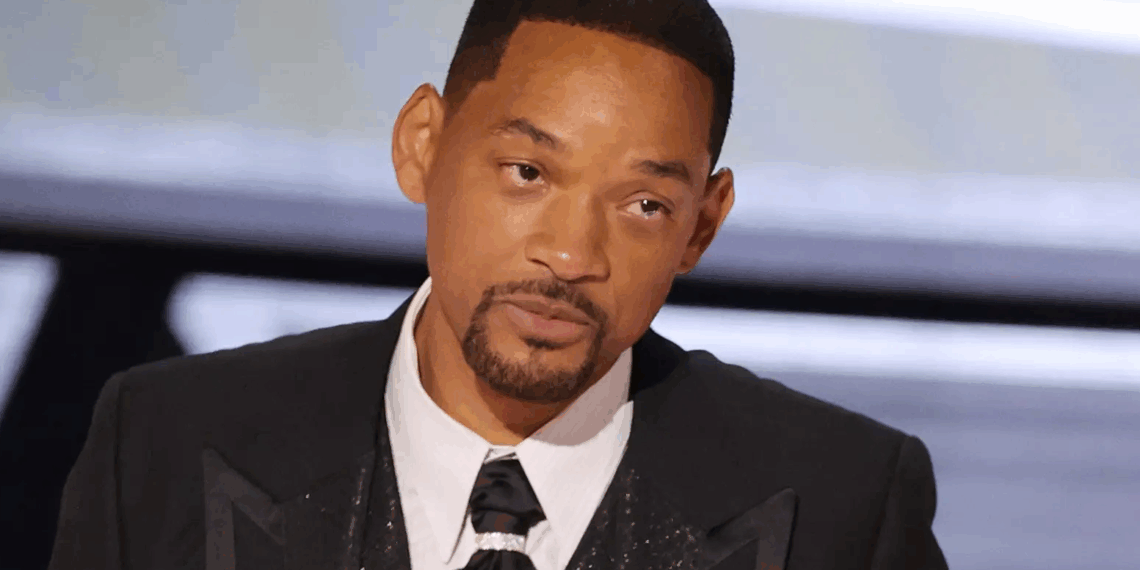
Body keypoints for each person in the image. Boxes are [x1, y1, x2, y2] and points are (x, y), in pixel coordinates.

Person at [49, 1, 948, 569]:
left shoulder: (844, 503)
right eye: (528, 173)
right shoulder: (165, 442)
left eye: (643, 204)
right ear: (422, 146)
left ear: (701, 227)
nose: (570, 254)